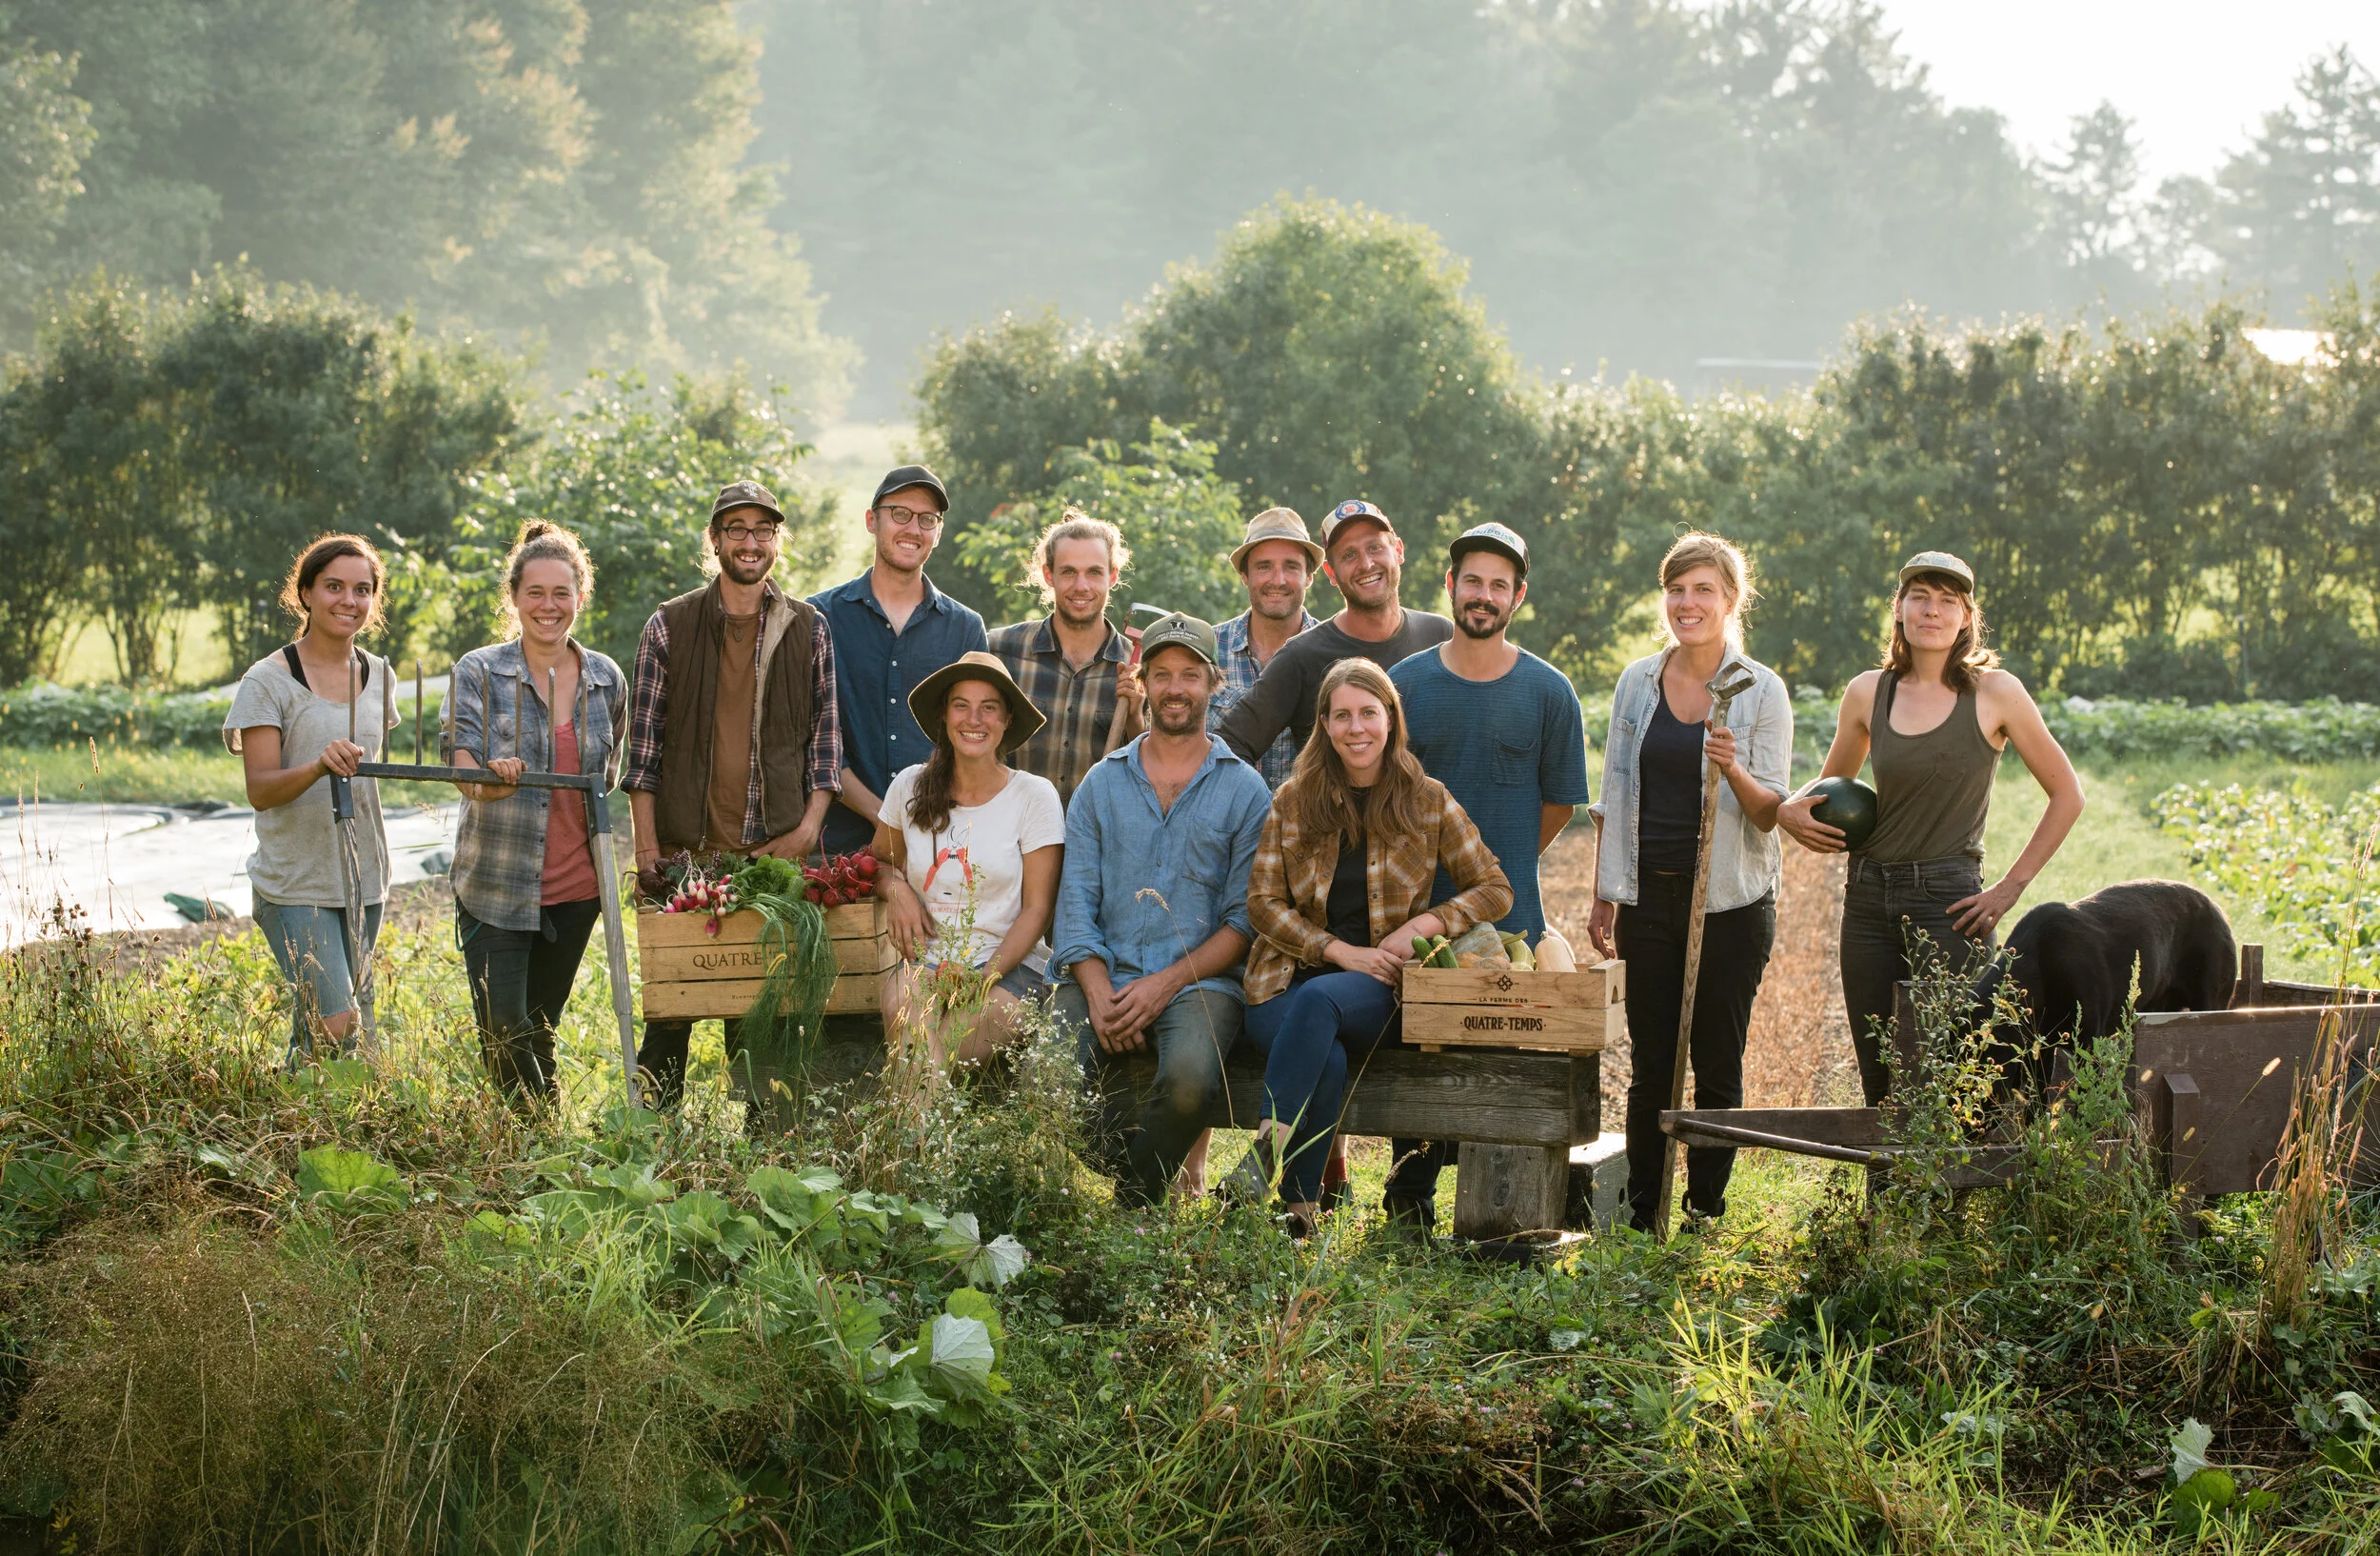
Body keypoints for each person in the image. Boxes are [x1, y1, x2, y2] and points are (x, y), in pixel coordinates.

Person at [1777, 550, 2084, 1105]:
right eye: (1920, 597)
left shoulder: (1997, 693)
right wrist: (1786, 811)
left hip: (1949, 904)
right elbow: (1826, 793)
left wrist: (2010, 889)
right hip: (1867, 900)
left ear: (1967, 617)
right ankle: (1888, 1194)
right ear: (1899, 609)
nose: (1932, 611)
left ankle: (1948, 1192)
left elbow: (2068, 795)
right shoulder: (1868, 692)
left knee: (1953, 1074)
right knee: (1881, 1077)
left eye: (1948, 602)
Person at [1226, 659, 1512, 1238]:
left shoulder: (1425, 799)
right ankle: (1299, 1216)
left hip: (1380, 987)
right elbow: (1261, 903)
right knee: (1322, 1050)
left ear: (1390, 719)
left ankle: (1264, 1154)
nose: (1356, 728)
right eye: (1342, 716)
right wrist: (1335, 949)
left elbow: (1495, 889)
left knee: (1323, 1006)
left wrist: (1428, 923)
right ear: (1324, 726)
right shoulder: (1293, 800)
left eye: (1368, 713)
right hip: (1283, 984)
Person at [1386, 521, 1592, 1228]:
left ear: (1518, 597)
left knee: (1502, 1059)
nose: (1483, 595)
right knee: (1421, 1054)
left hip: (1513, 917)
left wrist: (1494, 873)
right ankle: (1407, 1203)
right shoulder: (1404, 686)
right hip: (1418, 912)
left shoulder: (1548, 691)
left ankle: (1498, 1214)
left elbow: (1561, 804)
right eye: (1471, 580)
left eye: (1498, 585)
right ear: (1449, 586)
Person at [1583, 533, 1792, 1230]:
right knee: (1652, 1063)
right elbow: (1614, 788)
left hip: (1730, 902)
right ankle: (1646, 1214)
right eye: (1677, 589)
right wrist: (1603, 893)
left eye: (1703, 589)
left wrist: (1732, 766)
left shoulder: (1759, 691)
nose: (1687, 602)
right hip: (1650, 898)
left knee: (1716, 1061)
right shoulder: (1637, 682)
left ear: (1731, 600)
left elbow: (1771, 812)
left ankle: (1704, 1209)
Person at [624, 480, 843, 1107]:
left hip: (770, 856)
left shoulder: (809, 627)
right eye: (737, 529)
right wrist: (647, 852)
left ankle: (756, 1157)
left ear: (777, 541)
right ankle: (650, 1141)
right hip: (684, 856)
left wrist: (805, 833)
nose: (751, 542)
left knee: (759, 1018)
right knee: (671, 1013)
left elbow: (826, 744)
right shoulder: (669, 626)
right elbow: (643, 752)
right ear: (715, 539)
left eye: (763, 530)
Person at [1050, 612, 1272, 1206]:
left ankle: (1133, 1203)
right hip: (1104, 973)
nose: (1176, 688)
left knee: (1189, 1083)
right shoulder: (1101, 785)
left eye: (1191, 675)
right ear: (1142, 681)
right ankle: (1144, 1186)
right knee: (1043, 1081)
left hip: (1199, 984)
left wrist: (1160, 988)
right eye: (1163, 674)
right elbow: (1075, 907)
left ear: (1213, 684)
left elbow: (1245, 922)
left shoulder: (1247, 792)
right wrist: (1098, 992)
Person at [442, 521, 627, 1105]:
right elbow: (458, 754)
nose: (549, 606)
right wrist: (484, 782)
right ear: (514, 597)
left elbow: (610, 776)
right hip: (497, 883)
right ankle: (538, 1140)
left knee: (540, 1031)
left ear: (580, 596)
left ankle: (534, 1166)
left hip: (575, 889)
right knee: (503, 1033)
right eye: (535, 593)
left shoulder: (606, 678)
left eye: (561, 593)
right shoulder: (481, 670)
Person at [225, 533, 403, 1062]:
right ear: (304, 593)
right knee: (337, 1021)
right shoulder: (268, 680)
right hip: (296, 879)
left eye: (362, 589)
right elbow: (260, 789)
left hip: (364, 874)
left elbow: (367, 774)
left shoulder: (380, 675)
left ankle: (296, 1128)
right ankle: (297, 1124)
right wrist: (318, 765)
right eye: (334, 586)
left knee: (325, 1033)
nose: (349, 600)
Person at [871, 651, 1065, 1070]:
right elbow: (879, 863)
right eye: (961, 705)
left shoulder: (1034, 796)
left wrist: (983, 976)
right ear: (945, 715)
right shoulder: (909, 786)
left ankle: (906, 1133)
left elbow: (1037, 910)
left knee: (930, 1049)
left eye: (988, 707)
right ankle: (928, 1135)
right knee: (902, 1010)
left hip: (1010, 966)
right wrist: (897, 888)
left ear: (1007, 719)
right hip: (926, 960)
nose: (973, 719)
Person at [811, 463, 991, 856]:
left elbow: (976, 742)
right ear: (871, 520)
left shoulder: (965, 629)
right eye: (900, 514)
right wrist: (886, 819)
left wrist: (919, 827)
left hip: (934, 849)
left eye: (927, 519)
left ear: (938, 532)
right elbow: (810, 739)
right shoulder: (819, 618)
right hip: (833, 852)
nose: (913, 529)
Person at [1218, 500, 1453, 768]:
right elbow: (1229, 746)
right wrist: (1276, 805)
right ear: (1331, 572)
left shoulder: (1439, 635)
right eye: (1349, 555)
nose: (1366, 564)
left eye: (1375, 547)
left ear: (1398, 550)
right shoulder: (1301, 656)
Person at [987, 510, 1145, 807]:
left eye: (1094, 572)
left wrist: (1135, 716)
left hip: (1095, 841)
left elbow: (1150, 769)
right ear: (1049, 575)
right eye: (1069, 572)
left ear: (1113, 576)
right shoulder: (1001, 650)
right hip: (1013, 839)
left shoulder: (1138, 669)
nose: (1081, 586)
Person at [1210, 508, 1323, 789]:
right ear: (1244, 575)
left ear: (1309, 576)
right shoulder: (1207, 652)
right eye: (1264, 567)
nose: (1278, 580)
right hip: (1224, 830)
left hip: (1309, 829)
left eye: (1291, 566)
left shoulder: (1332, 653)